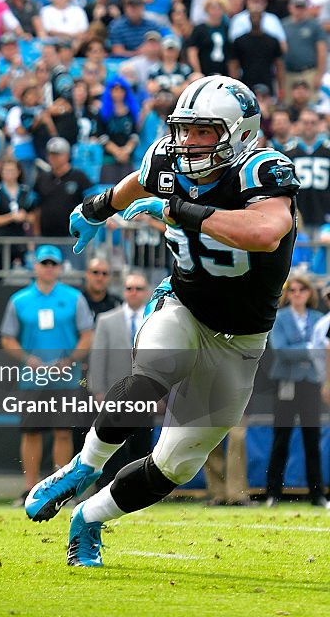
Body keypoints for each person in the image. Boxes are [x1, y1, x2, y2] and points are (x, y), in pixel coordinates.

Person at [26, 75, 299, 568]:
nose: (188, 143)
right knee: (155, 372)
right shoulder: (167, 157)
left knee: (177, 463)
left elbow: (264, 232)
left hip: (241, 340)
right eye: (184, 130)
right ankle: (83, 466)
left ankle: (88, 517)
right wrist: (97, 207)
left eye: (204, 132)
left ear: (239, 133)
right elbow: (140, 181)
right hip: (183, 305)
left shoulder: (262, 170)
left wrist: (182, 210)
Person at [1, 245, 95, 502]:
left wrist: (69, 360)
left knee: (63, 432)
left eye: (53, 264)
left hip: (66, 377)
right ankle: (30, 490)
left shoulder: (74, 298)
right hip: (32, 378)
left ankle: (59, 489)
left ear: (59, 268)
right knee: (31, 432)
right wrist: (26, 359)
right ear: (36, 266)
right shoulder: (20, 300)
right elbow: (8, 338)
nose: (49, 268)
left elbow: (87, 335)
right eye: (45, 263)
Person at [87, 271, 153, 489]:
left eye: (138, 288)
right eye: (129, 288)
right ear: (123, 291)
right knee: (111, 445)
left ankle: (138, 491)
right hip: (114, 395)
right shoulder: (107, 320)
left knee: (141, 446)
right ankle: (106, 488)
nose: (133, 293)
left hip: (146, 395)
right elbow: (98, 357)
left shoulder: (156, 320)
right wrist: (98, 390)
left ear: (147, 292)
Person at [265, 273, 325, 507]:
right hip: (286, 383)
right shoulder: (279, 318)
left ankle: (317, 494)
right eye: (292, 289)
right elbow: (280, 350)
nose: (297, 293)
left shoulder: (319, 318)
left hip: (311, 383)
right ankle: (273, 493)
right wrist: (310, 349)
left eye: (302, 289)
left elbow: (323, 351)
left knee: (312, 438)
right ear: (287, 294)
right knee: (281, 438)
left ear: (310, 293)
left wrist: (302, 351)